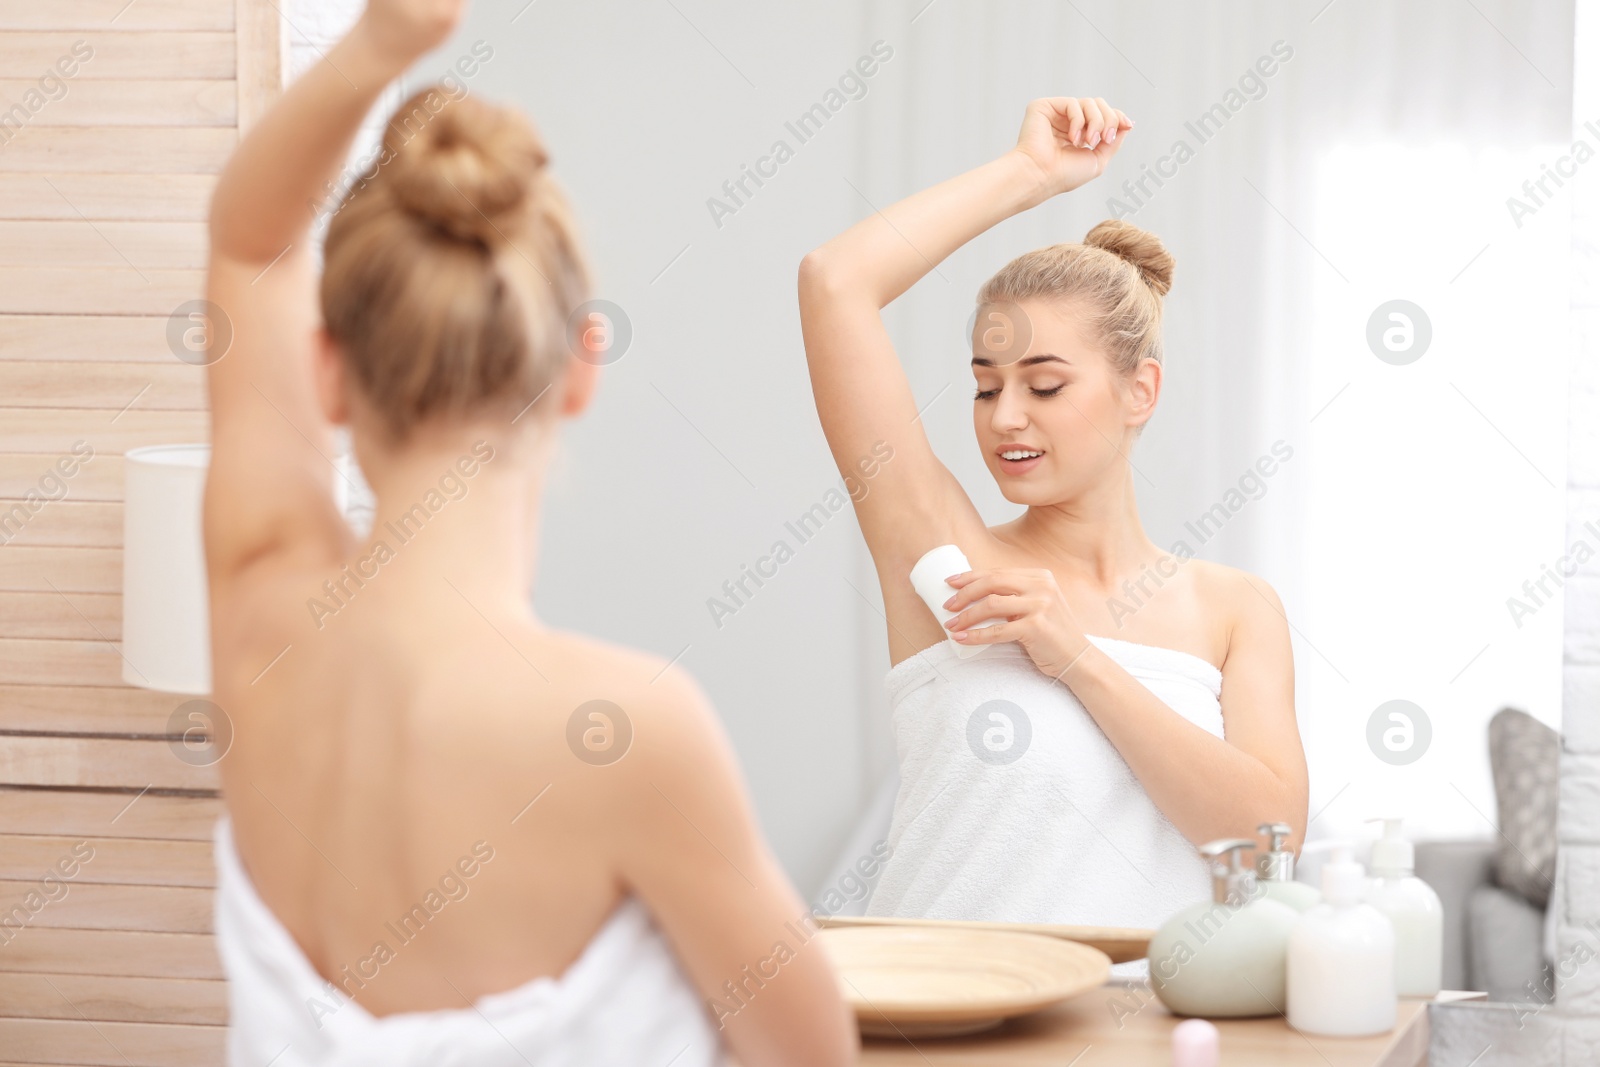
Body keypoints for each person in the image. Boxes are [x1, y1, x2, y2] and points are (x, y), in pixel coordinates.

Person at [201, 2, 856, 1063]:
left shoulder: (254, 613)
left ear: (329, 371)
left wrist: (381, 48)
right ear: (581, 367)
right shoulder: (633, 735)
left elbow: (247, 239)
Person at [797, 97, 1309, 964]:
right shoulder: (948, 558)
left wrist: (1073, 654)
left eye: (1043, 385)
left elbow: (1267, 843)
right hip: (934, 1024)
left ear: (1139, 390)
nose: (1004, 417)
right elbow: (833, 281)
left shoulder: (1235, 611)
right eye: (985, 385)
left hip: (1141, 1031)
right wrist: (1030, 174)